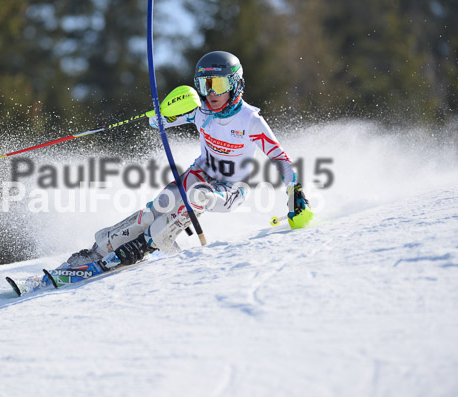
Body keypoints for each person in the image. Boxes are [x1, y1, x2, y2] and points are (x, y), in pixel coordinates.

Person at [62, 51, 311, 271]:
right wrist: (161, 112)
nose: (211, 93)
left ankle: (146, 245)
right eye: (204, 85)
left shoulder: (250, 120)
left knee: (198, 196)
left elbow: (279, 157)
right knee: (156, 208)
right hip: (199, 174)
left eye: (219, 85)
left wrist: (294, 191)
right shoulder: (200, 111)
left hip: (231, 188)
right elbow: (157, 122)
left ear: (235, 85)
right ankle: (101, 248)